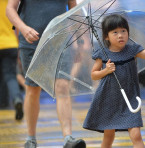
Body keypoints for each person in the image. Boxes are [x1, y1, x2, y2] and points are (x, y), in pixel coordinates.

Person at [83, 14, 145, 148]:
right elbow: (94, 75)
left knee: (136, 135)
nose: (120, 35)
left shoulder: (132, 50)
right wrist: (106, 70)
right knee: (108, 136)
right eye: (115, 32)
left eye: (123, 31)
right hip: (108, 99)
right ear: (106, 36)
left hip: (130, 98)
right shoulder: (102, 54)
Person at [6, 0, 86, 148]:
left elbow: (74, 9)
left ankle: (68, 138)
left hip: (60, 40)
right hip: (31, 42)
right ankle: (31, 138)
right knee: (33, 89)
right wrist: (23, 28)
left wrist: (79, 41)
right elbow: (10, 9)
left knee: (62, 86)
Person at [0, 0, 23, 120]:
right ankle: (16, 98)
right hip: (11, 44)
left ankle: (3, 103)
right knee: (10, 76)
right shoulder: (10, 2)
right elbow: (17, 25)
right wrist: (19, 45)